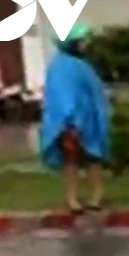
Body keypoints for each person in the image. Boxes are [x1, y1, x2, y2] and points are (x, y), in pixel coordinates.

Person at [39, 23, 110, 214]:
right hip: (72, 122)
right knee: (75, 159)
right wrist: (71, 121)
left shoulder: (78, 66)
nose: (85, 44)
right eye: (81, 41)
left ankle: (90, 197)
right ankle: (76, 199)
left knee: (88, 159)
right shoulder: (62, 67)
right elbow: (61, 96)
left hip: (85, 120)